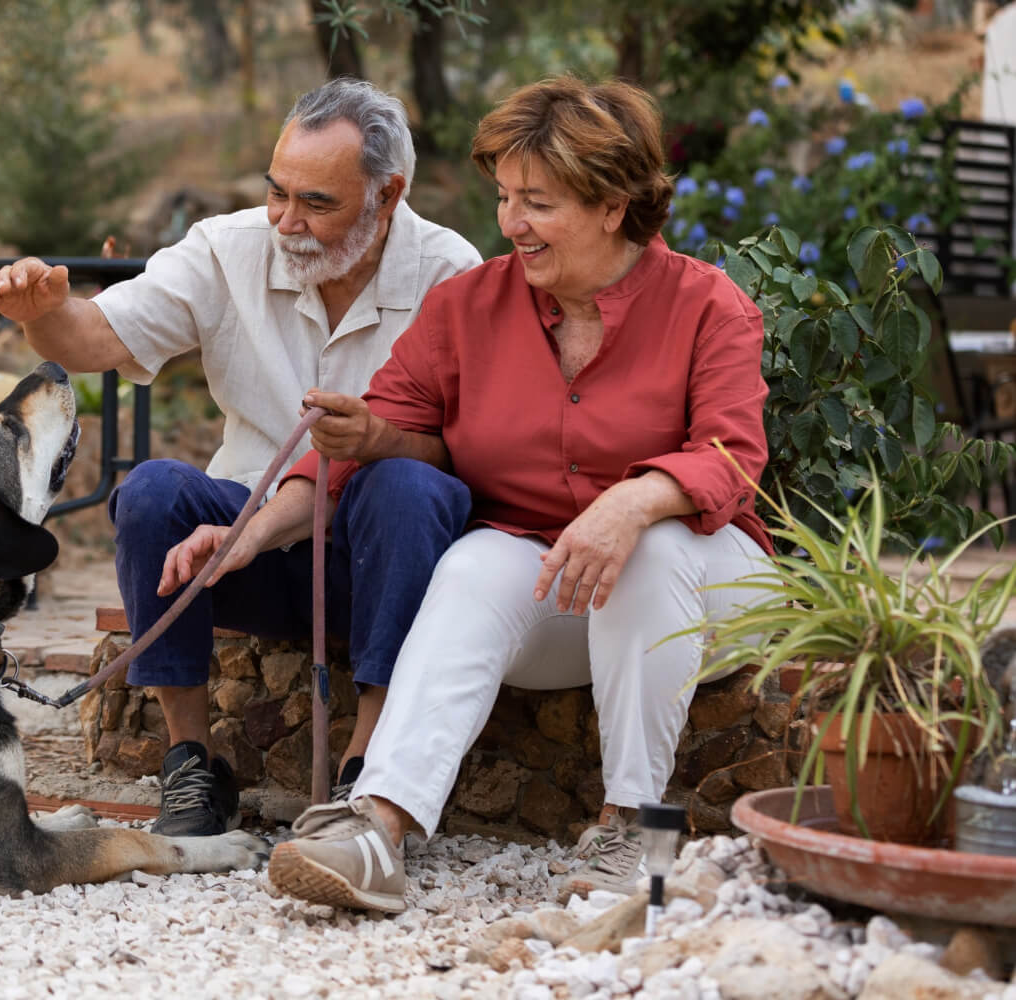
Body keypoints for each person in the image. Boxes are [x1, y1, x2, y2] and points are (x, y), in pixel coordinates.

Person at [166, 75, 772, 912]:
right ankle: (377, 828)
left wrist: (628, 503)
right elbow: (366, 437)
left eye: (539, 202)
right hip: (559, 587)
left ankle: (640, 825)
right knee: (478, 561)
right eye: (505, 198)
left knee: (651, 544)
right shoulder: (468, 308)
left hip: (709, 584)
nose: (511, 224)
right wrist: (251, 534)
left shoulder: (709, 306)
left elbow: (732, 457)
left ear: (614, 204)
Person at [0, 78, 482, 837]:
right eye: (277, 192)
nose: (286, 220)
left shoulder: (453, 271)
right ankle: (191, 764)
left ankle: (366, 771)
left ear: (387, 195)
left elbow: (466, 450)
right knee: (152, 492)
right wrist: (45, 314)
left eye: (317, 202)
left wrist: (377, 443)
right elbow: (96, 340)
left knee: (407, 487)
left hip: (382, 560)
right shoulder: (228, 246)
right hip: (242, 554)